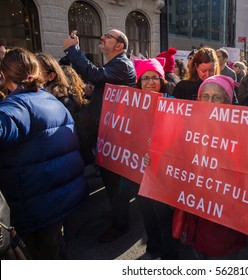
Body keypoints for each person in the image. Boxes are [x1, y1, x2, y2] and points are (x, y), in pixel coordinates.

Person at [144, 75, 248, 259]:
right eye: (205, 97)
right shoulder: (189, 128)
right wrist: (153, 158)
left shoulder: (247, 134)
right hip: (195, 216)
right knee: (198, 255)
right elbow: (171, 157)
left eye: (217, 97)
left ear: (229, 101)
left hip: (225, 223)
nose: (210, 102)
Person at [0, 47, 88, 259]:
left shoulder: (17, 106)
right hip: (54, 201)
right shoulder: (48, 99)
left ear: (3, 75)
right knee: (57, 250)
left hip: (35, 206)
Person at [63, 29, 137, 242]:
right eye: (103, 34)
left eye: (108, 36)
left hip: (117, 137)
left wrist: (72, 49)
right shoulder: (114, 65)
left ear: (119, 46)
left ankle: (120, 226)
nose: (102, 37)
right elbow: (101, 82)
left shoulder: (122, 64)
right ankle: (116, 215)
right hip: (107, 133)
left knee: (116, 183)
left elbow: (94, 74)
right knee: (110, 180)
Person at [134, 58, 179, 260]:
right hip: (138, 171)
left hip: (163, 173)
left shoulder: (173, 104)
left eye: (155, 77)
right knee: (146, 212)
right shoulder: (132, 104)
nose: (150, 82)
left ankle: (169, 256)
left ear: (162, 81)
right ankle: (152, 248)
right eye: (145, 78)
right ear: (139, 82)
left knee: (163, 216)